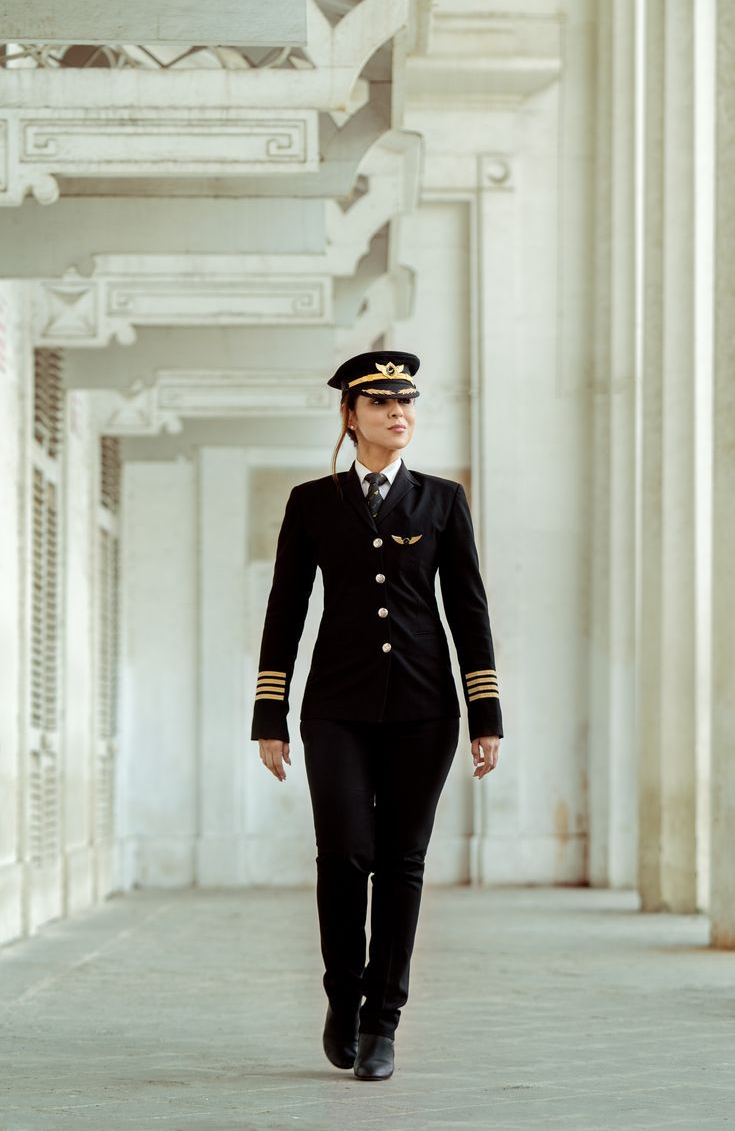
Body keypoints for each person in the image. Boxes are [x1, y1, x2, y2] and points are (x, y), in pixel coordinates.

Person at [251, 349, 503, 1081]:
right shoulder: (313, 503)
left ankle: (382, 1021)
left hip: (425, 708)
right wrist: (270, 715)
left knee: (402, 862)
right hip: (335, 708)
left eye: (408, 402)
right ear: (350, 416)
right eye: (382, 403)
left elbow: (471, 612)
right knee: (345, 853)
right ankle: (343, 994)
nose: (400, 413)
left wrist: (485, 714)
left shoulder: (442, 501)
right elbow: (285, 611)